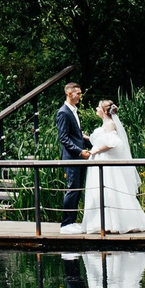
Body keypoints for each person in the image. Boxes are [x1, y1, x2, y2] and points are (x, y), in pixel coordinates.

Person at [74, 99, 145, 234]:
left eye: (98, 107)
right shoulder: (105, 123)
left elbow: (113, 143)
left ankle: (116, 223)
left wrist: (95, 151)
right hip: (98, 160)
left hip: (106, 161)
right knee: (100, 191)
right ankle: (102, 223)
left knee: (110, 189)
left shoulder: (110, 124)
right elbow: (101, 139)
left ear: (104, 111)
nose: (96, 109)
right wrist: (86, 138)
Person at [55, 81, 91, 226]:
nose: (80, 96)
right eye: (78, 93)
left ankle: (72, 221)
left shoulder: (74, 111)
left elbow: (76, 135)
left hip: (79, 157)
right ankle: (66, 223)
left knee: (77, 189)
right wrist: (80, 151)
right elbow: (63, 138)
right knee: (72, 189)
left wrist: (93, 143)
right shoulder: (63, 112)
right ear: (69, 93)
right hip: (72, 158)